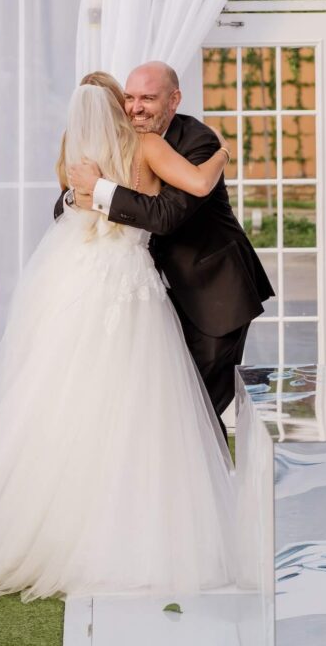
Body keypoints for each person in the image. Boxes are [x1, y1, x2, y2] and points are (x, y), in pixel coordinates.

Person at [0, 84, 237, 599]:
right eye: (130, 99)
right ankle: (129, 531)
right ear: (121, 106)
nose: (137, 108)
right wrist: (226, 150)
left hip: (81, 279)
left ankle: (46, 526)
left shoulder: (77, 152)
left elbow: (71, 205)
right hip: (129, 286)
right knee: (137, 403)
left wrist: (85, 192)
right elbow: (199, 186)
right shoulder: (147, 147)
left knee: (66, 394)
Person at [65, 62, 274, 435]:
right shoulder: (121, 139)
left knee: (198, 409)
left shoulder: (198, 141)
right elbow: (62, 203)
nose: (136, 107)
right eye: (129, 97)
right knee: (154, 403)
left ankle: (203, 488)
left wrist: (96, 189)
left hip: (213, 292)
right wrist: (75, 194)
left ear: (174, 100)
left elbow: (165, 217)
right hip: (148, 294)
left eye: (148, 98)